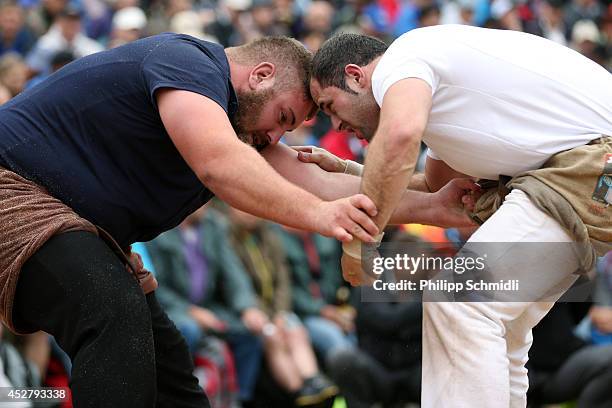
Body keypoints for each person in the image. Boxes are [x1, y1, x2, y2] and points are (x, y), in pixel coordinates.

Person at [0, 32, 471, 406]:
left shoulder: (243, 130)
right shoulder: (188, 61)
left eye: (289, 130)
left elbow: (320, 185)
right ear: (261, 75)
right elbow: (218, 164)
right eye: (283, 117)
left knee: (171, 371)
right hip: (13, 190)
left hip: (84, 230)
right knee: (113, 311)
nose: (277, 135)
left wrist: (434, 206)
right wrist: (322, 216)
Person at [301, 27, 612, 407]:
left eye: (330, 106)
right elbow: (434, 186)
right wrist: (349, 171)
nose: (335, 126)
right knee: (497, 331)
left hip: (591, 164)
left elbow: (399, 137)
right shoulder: (443, 101)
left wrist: (361, 241)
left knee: (458, 301)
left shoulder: (402, 60)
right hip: (585, 169)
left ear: (355, 75)